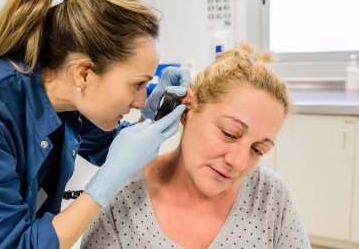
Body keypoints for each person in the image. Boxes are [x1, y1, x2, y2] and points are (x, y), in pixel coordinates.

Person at [0, 0, 191, 248]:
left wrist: (153, 118)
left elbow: (117, 150)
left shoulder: (63, 102)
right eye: (138, 84)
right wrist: (101, 188)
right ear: (84, 74)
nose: (139, 100)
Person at [80, 44, 311, 249]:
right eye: (229, 134)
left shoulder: (269, 194)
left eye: (257, 150)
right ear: (187, 109)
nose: (238, 162)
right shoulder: (121, 197)